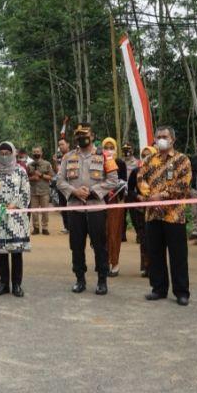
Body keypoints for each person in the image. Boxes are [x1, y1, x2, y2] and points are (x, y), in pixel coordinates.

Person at [57, 124, 119, 295]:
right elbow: (60, 181)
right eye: (78, 135)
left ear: (92, 136)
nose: (81, 138)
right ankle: (80, 279)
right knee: (76, 246)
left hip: (96, 207)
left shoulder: (105, 156)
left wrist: (93, 191)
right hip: (75, 208)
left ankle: (102, 280)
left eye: (85, 134)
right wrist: (74, 191)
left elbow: (113, 180)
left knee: (100, 245)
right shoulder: (68, 157)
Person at [137, 126, 192, 306]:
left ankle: (181, 292)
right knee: (155, 254)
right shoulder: (148, 160)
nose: (161, 139)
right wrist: (150, 197)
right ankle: (158, 289)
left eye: (165, 136)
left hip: (174, 215)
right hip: (152, 214)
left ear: (172, 140)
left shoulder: (182, 160)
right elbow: (140, 180)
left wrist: (161, 196)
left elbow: (183, 185)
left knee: (178, 255)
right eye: (158, 136)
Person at [0, 141, 31, 297]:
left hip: (16, 216)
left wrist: (14, 205)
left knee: (16, 251)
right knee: (1, 251)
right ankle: (3, 284)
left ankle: (17, 285)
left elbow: (25, 191)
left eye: (7, 153)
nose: (4, 156)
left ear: (13, 154)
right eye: (1, 154)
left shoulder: (21, 171)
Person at [127, 146, 157, 277]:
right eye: (143, 155)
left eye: (148, 155)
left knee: (156, 239)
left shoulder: (160, 171)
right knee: (144, 239)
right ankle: (146, 267)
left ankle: (157, 267)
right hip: (140, 210)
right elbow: (130, 190)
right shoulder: (136, 171)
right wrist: (138, 196)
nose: (146, 157)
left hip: (157, 210)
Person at [102, 137, 127, 277]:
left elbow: (124, 182)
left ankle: (115, 263)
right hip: (101, 202)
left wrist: (117, 192)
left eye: (111, 147)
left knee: (114, 234)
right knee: (102, 234)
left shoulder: (120, 163)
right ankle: (104, 262)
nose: (109, 150)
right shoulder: (99, 161)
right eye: (106, 147)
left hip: (116, 202)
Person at [28, 146, 54, 235]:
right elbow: (26, 178)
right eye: (34, 152)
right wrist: (33, 178)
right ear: (32, 153)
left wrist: (41, 175)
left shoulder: (47, 164)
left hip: (44, 191)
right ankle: (36, 228)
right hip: (33, 191)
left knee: (45, 211)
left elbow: (51, 177)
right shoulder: (29, 165)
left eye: (38, 152)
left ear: (41, 153)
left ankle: (45, 228)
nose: (36, 153)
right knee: (34, 211)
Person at [56, 138, 71, 233]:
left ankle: (73, 226)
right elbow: (57, 171)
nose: (60, 146)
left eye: (62, 144)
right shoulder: (59, 158)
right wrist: (55, 162)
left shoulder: (73, 155)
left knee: (71, 206)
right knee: (63, 206)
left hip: (71, 185)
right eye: (59, 145)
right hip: (61, 186)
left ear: (68, 144)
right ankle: (66, 226)